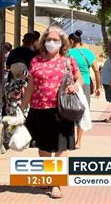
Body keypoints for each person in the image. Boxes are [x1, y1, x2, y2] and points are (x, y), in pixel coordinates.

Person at [21, 26, 83, 199]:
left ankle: (56, 184)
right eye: (48, 39)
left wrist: (75, 85)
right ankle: (46, 177)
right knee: (43, 147)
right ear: (43, 41)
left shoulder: (68, 61)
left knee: (60, 148)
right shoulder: (36, 61)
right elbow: (30, 87)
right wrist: (21, 109)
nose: (51, 43)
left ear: (62, 43)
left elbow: (80, 78)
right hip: (39, 109)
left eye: (55, 40)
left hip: (61, 110)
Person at [67, 29, 101, 149]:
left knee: (68, 109)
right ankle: (79, 141)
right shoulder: (88, 53)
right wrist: (98, 87)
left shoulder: (68, 53)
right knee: (82, 111)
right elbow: (96, 70)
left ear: (71, 40)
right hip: (85, 84)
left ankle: (68, 139)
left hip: (70, 84)